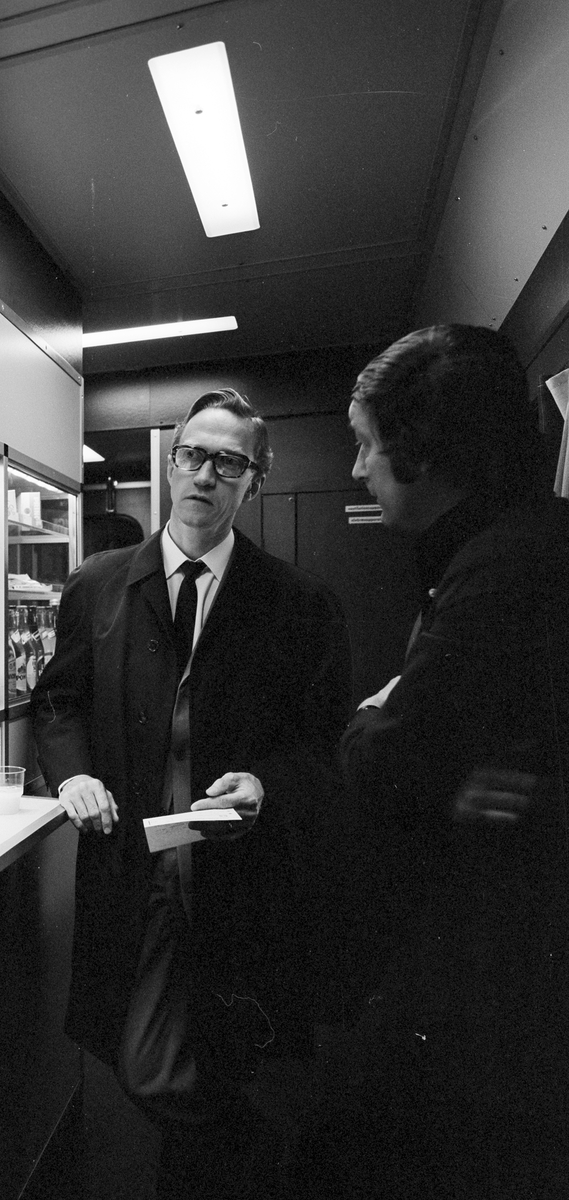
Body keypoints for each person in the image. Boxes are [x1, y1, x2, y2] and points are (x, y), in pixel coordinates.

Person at [31, 389, 350, 1199]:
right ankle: (259, 1160)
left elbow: (321, 744)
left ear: (256, 480)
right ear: (170, 464)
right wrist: (73, 773)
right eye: (192, 456)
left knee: (221, 1046)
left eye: (228, 463)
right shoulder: (98, 585)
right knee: (140, 1057)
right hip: (129, 861)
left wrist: (265, 783)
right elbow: (58, 700)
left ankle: (224, 1171)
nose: (205, 475)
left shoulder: (298, 604)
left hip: (234, 867)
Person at [294, 326, 569, 1198]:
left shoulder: (496, 570)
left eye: (366, 444)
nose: (356, 469)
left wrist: (372, 720)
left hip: (485, 978)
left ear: (423, 451)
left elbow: (384, 759)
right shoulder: (507, 547)